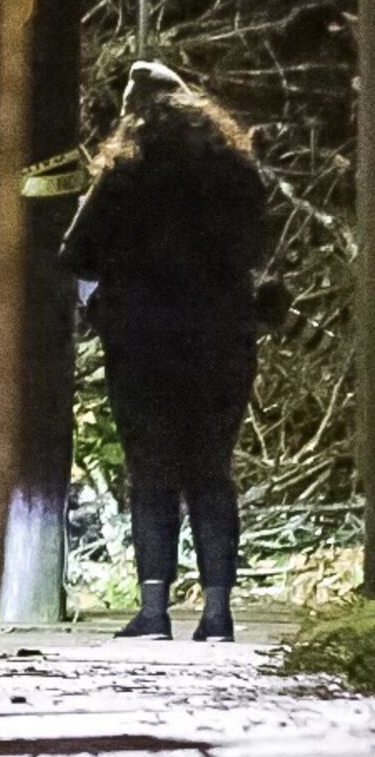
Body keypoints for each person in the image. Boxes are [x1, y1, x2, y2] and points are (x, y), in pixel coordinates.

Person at [61, 61, 273, 642]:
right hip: (221, 336)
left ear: (135, 114)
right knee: (210, 470)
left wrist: (103, 301)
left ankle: (154, 611)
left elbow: (76, 253)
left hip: (142, 339)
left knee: (151, 472)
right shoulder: (236, 172)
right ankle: (217, 612)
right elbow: (260, 248)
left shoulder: (126, 171)